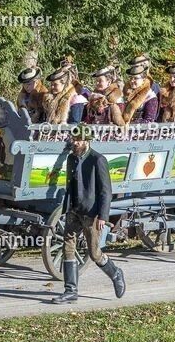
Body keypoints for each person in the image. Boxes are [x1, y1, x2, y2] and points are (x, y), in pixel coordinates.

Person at [52, 124, 125, 304]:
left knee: (94, 253)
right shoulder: (71, 158)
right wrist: (68, 207)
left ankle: (115, 273)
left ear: (86, 141)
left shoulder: (98, 160)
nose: (74, 143)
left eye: (78, 140)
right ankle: (71, 291)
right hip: (73, 210)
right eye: (73, 140)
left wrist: (103, 216)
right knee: (68, 246)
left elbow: (105, 191)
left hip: (92, 213)